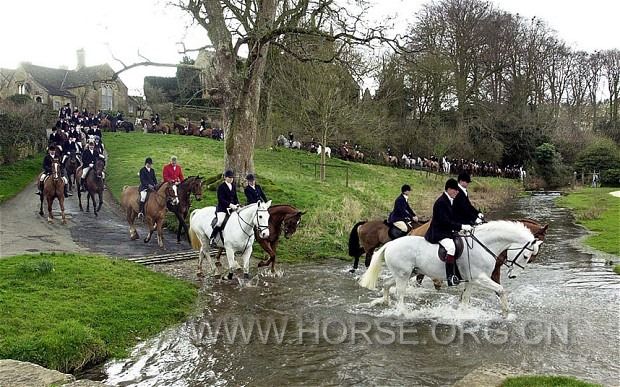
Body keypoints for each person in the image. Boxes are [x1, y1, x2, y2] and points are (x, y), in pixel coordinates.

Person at [425, 178, 472, 286]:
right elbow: (445, 221)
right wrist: (461, 226)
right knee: (451, 247)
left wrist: (464, 226)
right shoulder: (441, 202)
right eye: (455, 190)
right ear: (449, 189)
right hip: (438, 232)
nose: (457, 192)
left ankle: (459, 272)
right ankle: (450, 276)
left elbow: (453, 219)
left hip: (447, 230)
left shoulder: (449, 200)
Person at [210, 170, 240, 247]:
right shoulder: (221, 187)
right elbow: (221, 199)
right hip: (222, 208)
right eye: (229, 177)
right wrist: (230, 205)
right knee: (220, 222)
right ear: (225, 178)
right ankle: (212, 238)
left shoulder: (233, 185)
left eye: (232, 177)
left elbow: (235, 197)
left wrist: (237, 204)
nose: (231, 179)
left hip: (232, 207)